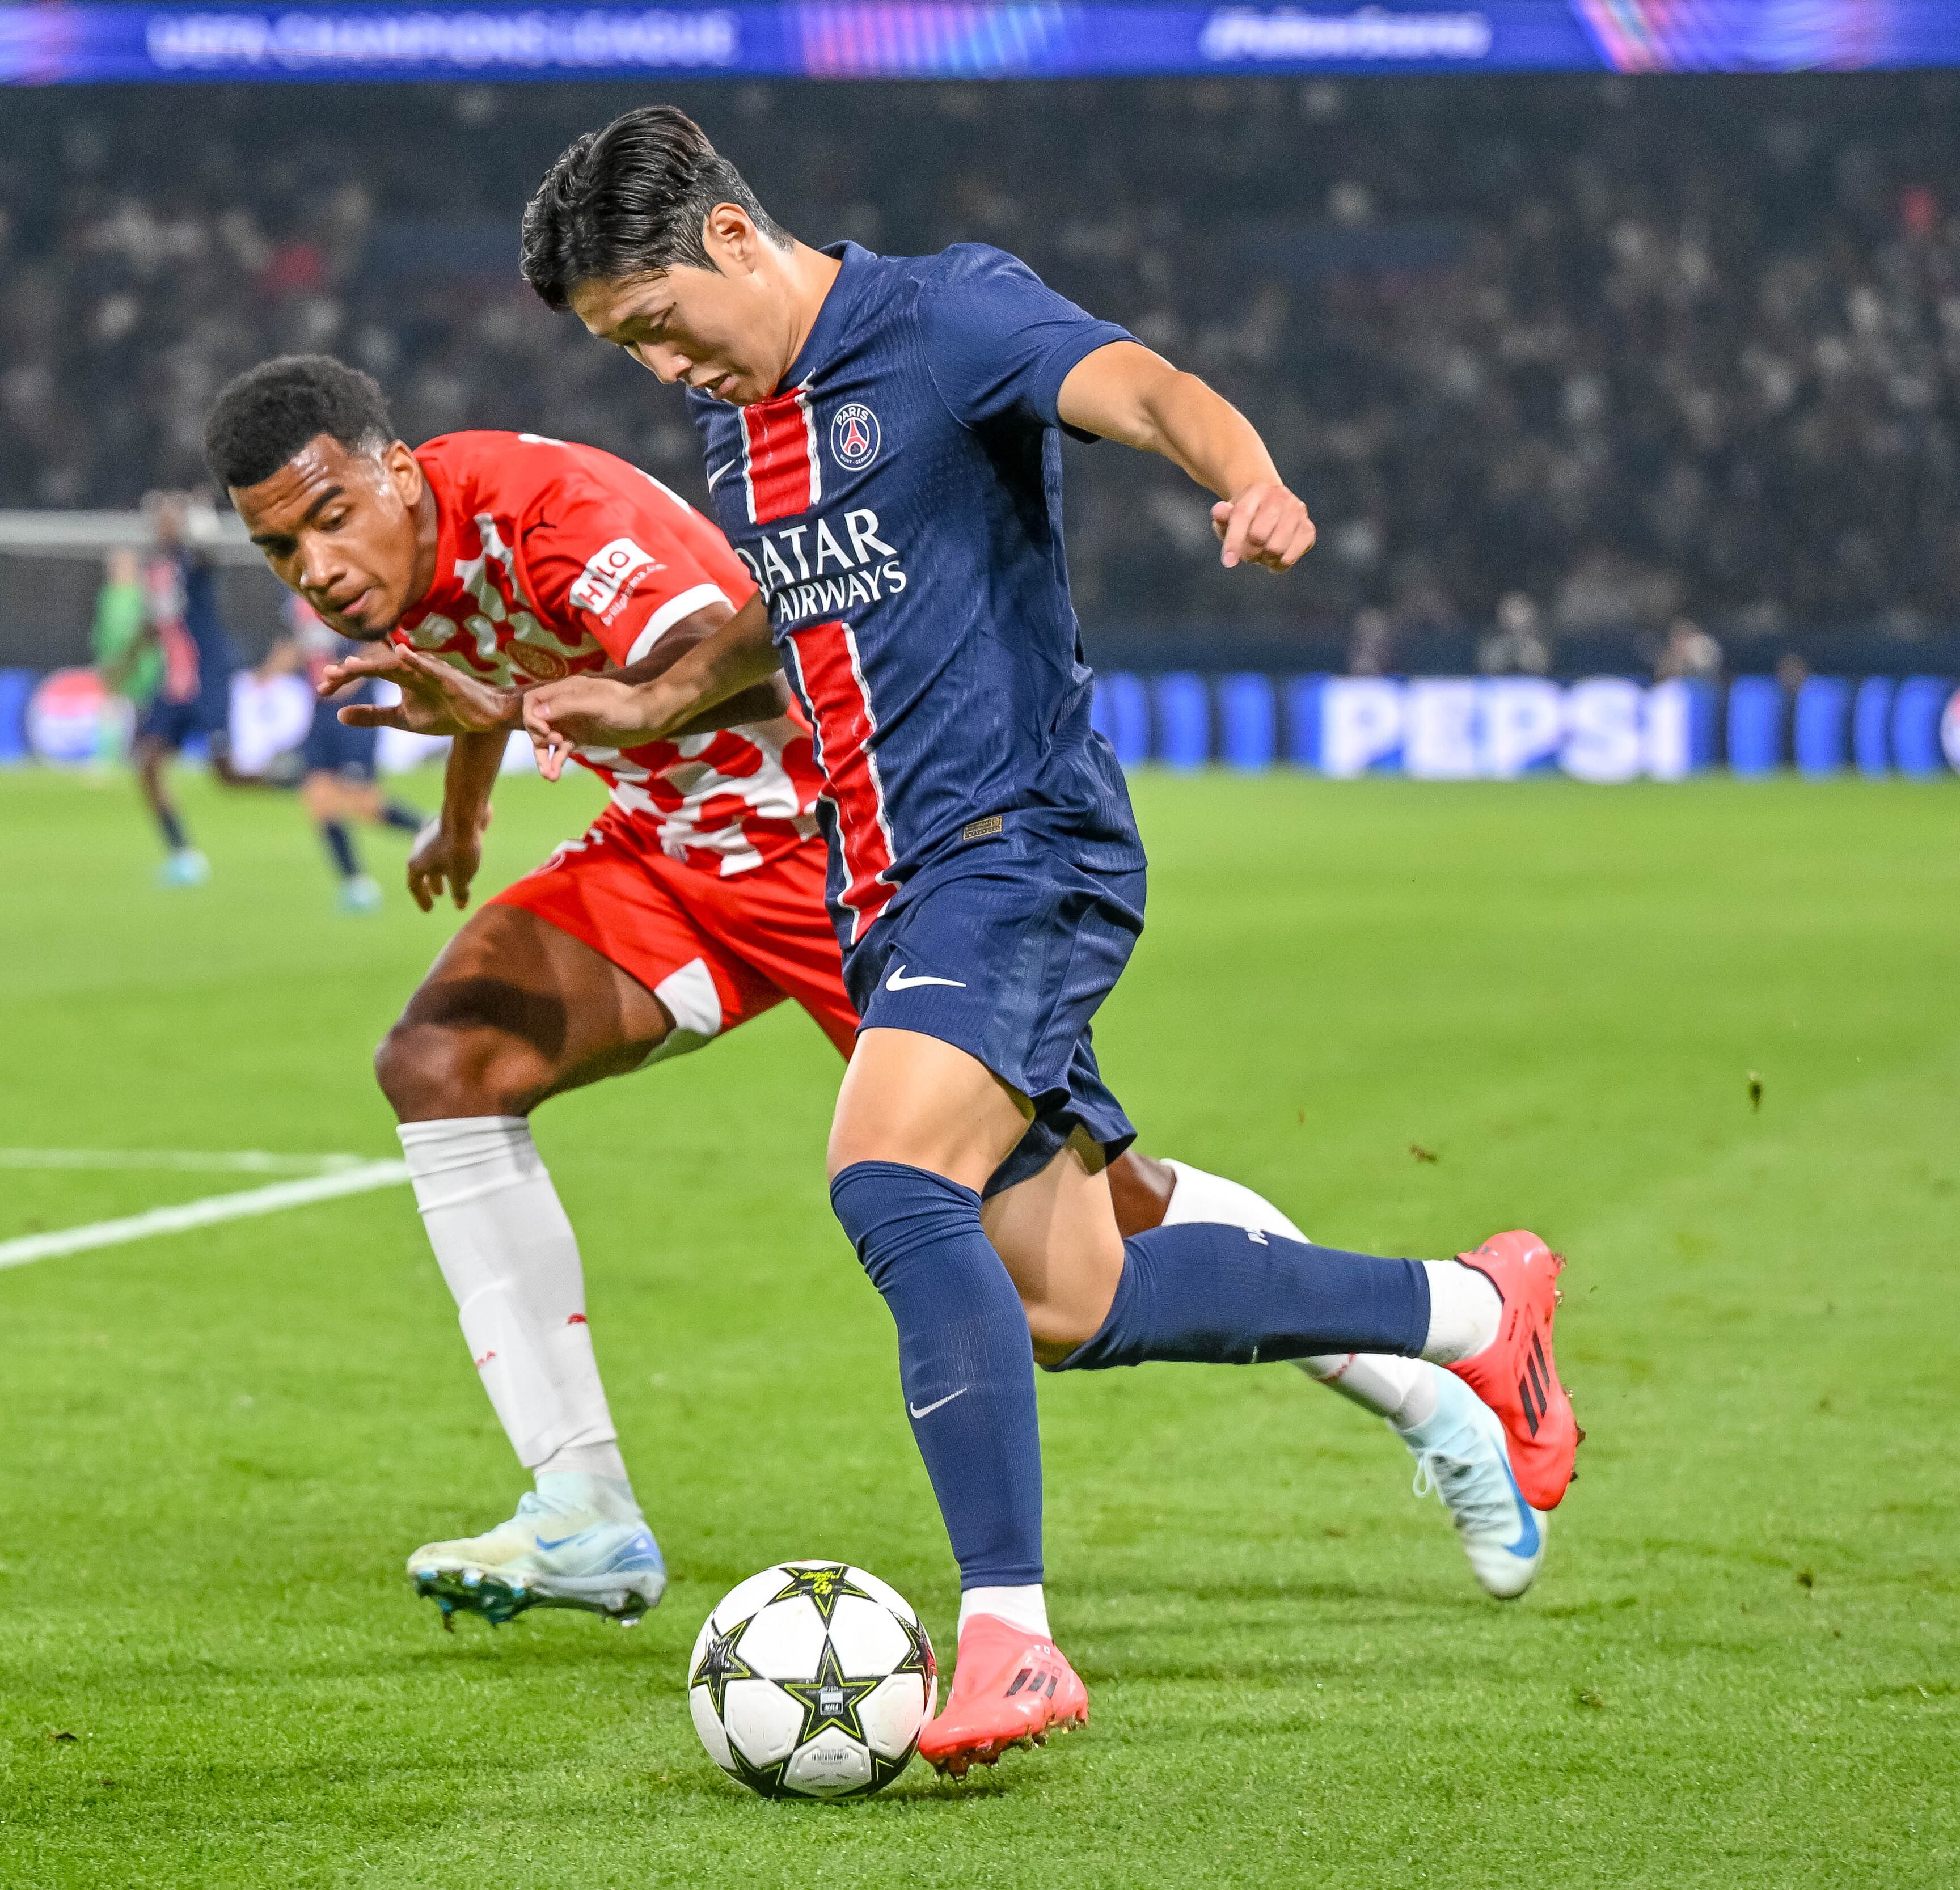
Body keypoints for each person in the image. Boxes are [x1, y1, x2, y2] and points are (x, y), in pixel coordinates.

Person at [512, 106, 1578, 1775]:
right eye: (622, 350)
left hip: (1017, 849)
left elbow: (1142, 387)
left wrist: (1248, 478)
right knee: (1067, 1302)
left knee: (885, 1176)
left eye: (655, 325)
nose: (658, 368)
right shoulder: (742, 434)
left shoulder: (941, 321)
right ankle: (1466, 1312)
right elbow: (788, 622)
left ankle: (1008, 1633)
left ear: (731, 238)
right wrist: (637, 696)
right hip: (892, 896)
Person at [197, 358, 1538, 1648]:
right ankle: (582, 1507)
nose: (316, 567)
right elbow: (469, 651)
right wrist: (466, 808)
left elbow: (720, 665)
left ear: (397, 470)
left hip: (840, 859)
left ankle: (1428, 1383)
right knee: (439, 1063)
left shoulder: (560, 519)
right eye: (280, 550)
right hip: (672, 856)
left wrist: (499, 708)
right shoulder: (402, 559)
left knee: (1097, 1245)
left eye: (328, 519)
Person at [255, 591, 428, 912]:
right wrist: (267, 673)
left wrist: (355, 673)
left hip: (357, 709)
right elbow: (296, 646)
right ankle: (356, 884)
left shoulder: (349, 593)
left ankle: (429, 830)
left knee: (362, 802)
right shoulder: (296, 602)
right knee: (319, 799)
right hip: (320, 712)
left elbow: (384, 641)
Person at [129, 491, 263, 885]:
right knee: (148, 762)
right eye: (160, 515)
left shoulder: (194, 560)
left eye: (171, 516)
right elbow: (156, 622)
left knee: (226, 775)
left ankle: (298, 781)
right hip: (174, 684)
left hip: (207, 678)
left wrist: (202, 521)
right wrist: (125, 662)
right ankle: (183, 855)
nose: (163, 521)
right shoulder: (153, 566)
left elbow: (208, 556)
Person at [90, 546, 161, 764]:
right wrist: (104, 659)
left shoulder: (144, 595)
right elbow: (103, 631)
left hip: (142, 666)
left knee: (143, 713)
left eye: (123, 565)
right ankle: (109, 758)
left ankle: (141, 756)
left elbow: (151, 632)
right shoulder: (107, 596)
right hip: (114, 665)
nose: (118, 570)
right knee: (113, 709)